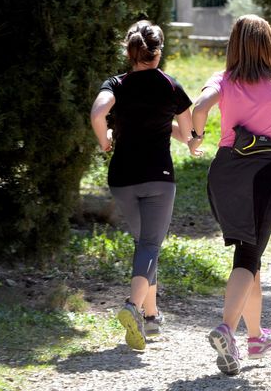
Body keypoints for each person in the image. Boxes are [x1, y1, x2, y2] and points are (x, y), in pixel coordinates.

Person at [191, 14, 271, 375]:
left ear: (235, 45)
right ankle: (227, 328)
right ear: (269, 45)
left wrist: (196, 136)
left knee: (249, 254)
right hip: (262, 175)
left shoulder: (222, 80)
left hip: (224, 173)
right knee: (248, 255)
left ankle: (255, 336)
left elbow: (199, 108)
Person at [90, 20, 198, 350]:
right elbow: (187, 131)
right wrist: (194, 144)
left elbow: (98, 113)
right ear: (158, 52)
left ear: (129, 51)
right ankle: (132, 308)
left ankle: (151, 318)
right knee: (150, 245)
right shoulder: (170, 86)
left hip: (122, 178)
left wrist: (105, 141)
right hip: (158, 178)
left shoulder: (117, 84)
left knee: (144, 245)